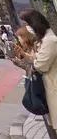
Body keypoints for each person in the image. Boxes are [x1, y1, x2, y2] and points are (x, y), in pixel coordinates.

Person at [18, 10, 57, 138]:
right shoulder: (44, 40)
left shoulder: (51, 41)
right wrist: (24, 55)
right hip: (49, 87)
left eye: (27, 24)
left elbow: (41, 65)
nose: (26, 28)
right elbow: (37, 59)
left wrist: (32, 61)